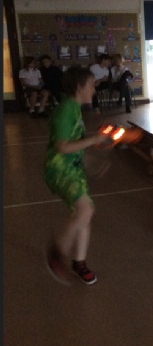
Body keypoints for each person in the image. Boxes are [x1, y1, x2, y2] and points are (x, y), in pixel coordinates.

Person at [44, 65, 109, 285]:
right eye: (91, 85)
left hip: (72, 168)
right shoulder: (65, 110)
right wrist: (94, 139)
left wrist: (90, 163)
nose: (94, 90)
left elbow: (74, 146)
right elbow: (62, 147)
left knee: (85, 214)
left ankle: (79, 263)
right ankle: (57, 253)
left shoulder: (74, 109)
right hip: (59, 169)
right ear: (80, 87)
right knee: (85, 210)